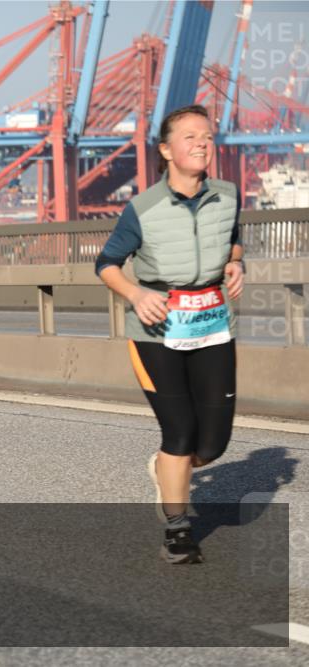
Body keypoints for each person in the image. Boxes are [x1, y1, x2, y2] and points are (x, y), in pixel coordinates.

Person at [96, 104, 244, 564]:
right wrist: (136, 295)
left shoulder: (228, 194)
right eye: (190, 137)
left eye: (207, 136)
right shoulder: (143, 208)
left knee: (213, 443)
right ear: (166, 150)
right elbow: (106, 264)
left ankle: (167, 468)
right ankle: (178, 529)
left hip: (214, 326)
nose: (202, 143)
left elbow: (233, 236)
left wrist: (236, 261)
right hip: (156, 331)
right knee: (179, 432)